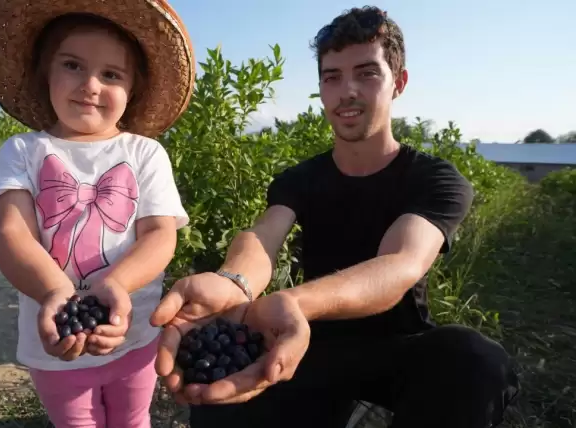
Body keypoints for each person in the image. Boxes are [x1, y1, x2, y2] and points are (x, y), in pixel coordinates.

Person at [151, 6, 520, 428]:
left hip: (397, 346)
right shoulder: (301, 179)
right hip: (310, 340)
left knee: (475, 360)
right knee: (219, 397)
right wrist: (233, 281)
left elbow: (399, 264)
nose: (347, 91)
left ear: (398, 82)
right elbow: (263, 237)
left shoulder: (435, 180)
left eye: (367, 73)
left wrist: (292, 301)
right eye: (332, 77)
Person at [0, 1, 196, 427]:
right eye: (73, 65)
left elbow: (160, 235)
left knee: (133, 418)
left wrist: (116, 286)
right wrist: (57, 292)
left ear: (133, 90)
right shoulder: (24, 152)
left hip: (134, 332)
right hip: (56, 336)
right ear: (45, 74)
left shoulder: (144, 153)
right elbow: (11, 232)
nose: (91, 85)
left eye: (111, 74)